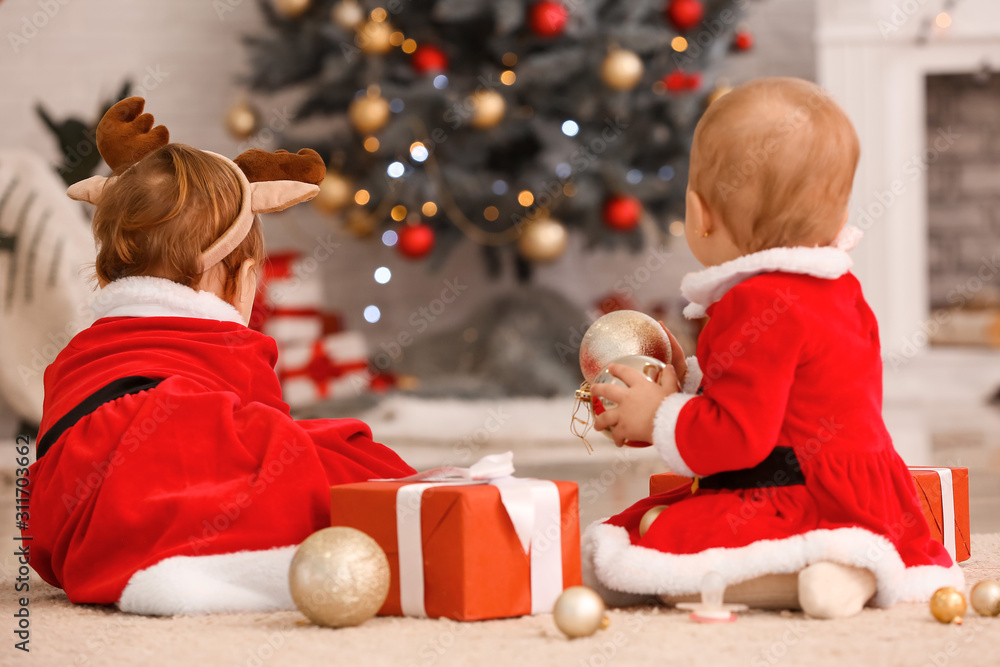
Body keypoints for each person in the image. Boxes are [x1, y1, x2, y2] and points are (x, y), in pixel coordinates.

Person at [585, 78, 963, 619]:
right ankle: (847, 556)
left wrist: (660, 417)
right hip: (866, 488)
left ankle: (834, 564)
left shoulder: (756, 303)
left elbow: (740, 437)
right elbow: (781, 395)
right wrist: (686, 388)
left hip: (801, 490)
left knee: (660, 555)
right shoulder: (836, 289)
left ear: (698, 212)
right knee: (651, 529)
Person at [23, 98, 415, 615]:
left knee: (244, 463)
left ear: (109, 274)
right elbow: (264, 442)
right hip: (171, 453)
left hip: (74, 514)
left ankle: (155, 563)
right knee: (344, 462)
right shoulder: (233, 345)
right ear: (244, 279)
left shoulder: (79, 351)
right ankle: (216, 566)